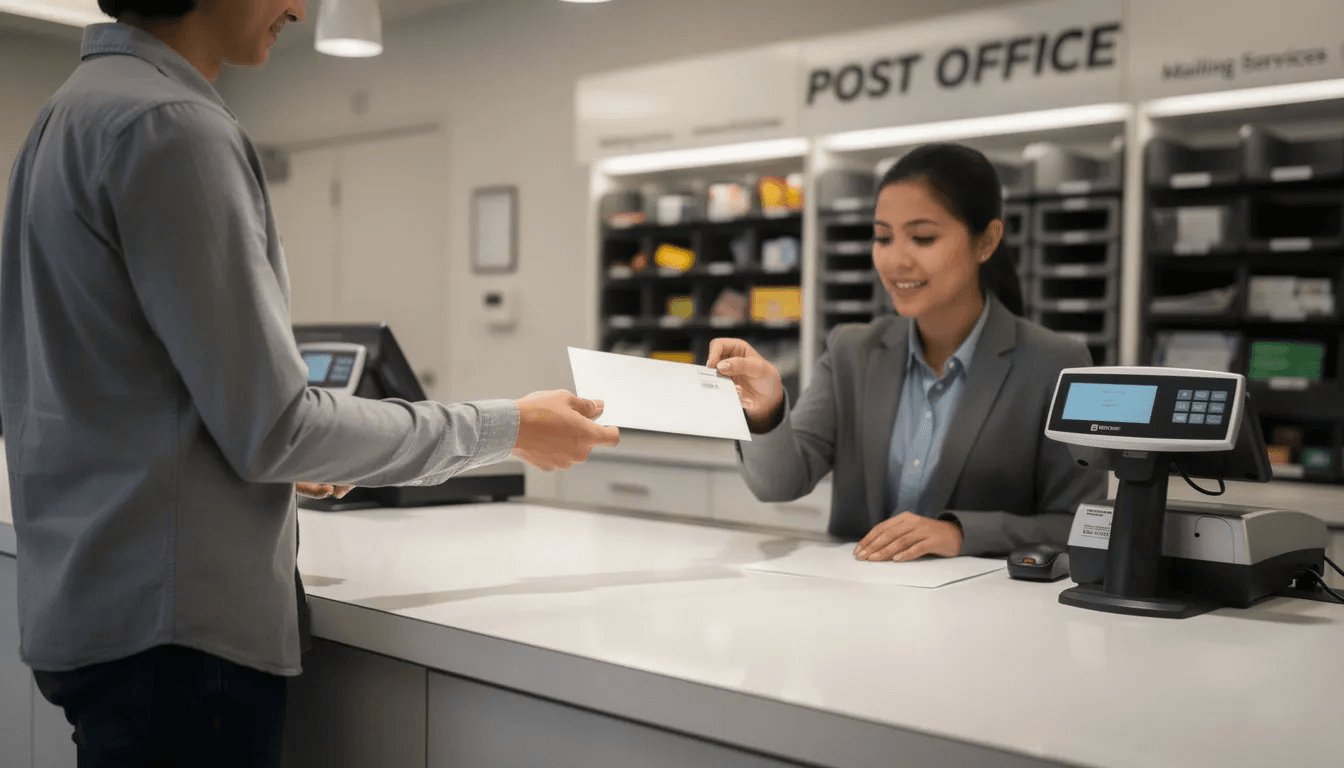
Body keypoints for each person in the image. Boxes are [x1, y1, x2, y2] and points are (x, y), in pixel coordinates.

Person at [0, 0, 618, 765]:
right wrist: (510, 426)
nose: (299, 5)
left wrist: (272, 472)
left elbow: (106, 390)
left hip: (101, 612)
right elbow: (276, 429)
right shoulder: (173, 127)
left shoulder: (67, 116)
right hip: (176, 645)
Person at [710, 143, 1104, 563]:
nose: (896, 260)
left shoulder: (1055, 363)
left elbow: (1082, 524)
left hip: (988, 614)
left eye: (922, 238)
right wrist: (767, 408)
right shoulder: (851, 351)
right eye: (883, 237)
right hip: (865, 602)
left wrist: (960, 533)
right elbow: (779, 484)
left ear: (986, 241)